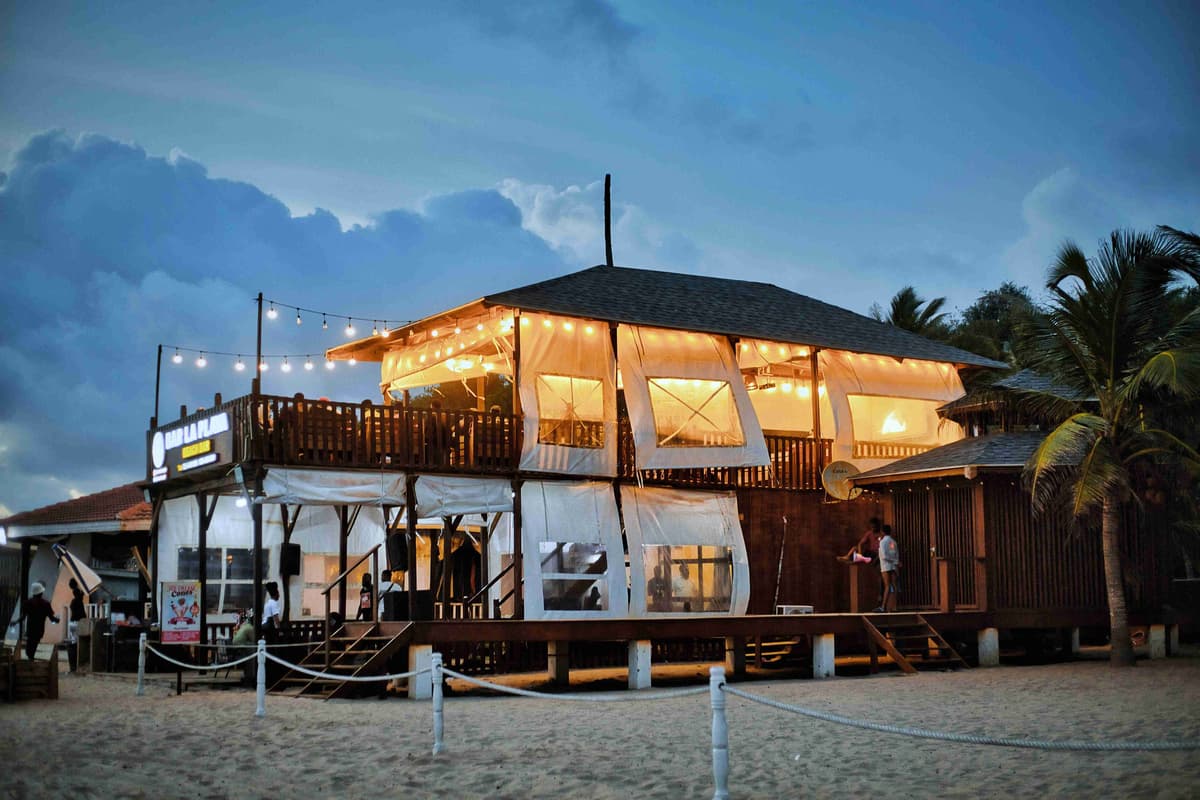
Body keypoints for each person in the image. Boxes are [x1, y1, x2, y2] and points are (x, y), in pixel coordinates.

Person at [20, 582, 60, 661]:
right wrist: (57, 620)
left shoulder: (27, 603)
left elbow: (23, 617)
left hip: (30, 629)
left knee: (30, 648)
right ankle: (31, 659)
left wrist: (15, 622)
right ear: (41, 593)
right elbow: (52, 618)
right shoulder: (46, 604)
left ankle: (30, 659)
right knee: (33, 646)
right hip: (39, 630)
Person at [877, 525, 901, 612]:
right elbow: (894, 553)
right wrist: (895, 562)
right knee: (894, 586)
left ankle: (883, 607)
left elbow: (884, 556)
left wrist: (891, 560)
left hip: (885, 566)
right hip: (893, 566)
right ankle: (894, 606)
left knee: (887, 586)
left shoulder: (882, 542)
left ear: (882, 532)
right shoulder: (892, 542)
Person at [67, 578, 87, 672]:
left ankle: (73, 666)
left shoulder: (73, 602)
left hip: (72, 623)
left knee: (73, 643)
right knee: (78, 644)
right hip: (78, 623)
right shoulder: (79, 602)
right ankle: (76, 665)